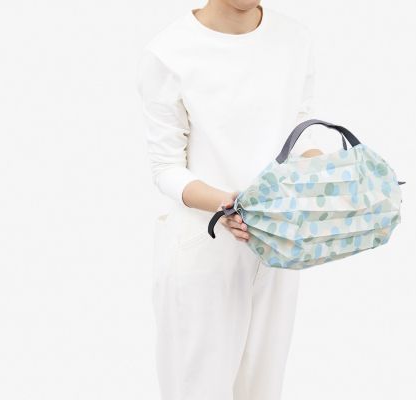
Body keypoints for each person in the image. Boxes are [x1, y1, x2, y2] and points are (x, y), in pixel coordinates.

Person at [137, 1, 323, 399]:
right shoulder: (170, 52)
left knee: (263, 390)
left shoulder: (294, 38)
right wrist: (225, 204)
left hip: (276, 249)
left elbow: (300, 131)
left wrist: (320, 176)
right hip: (204, 247)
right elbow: (166, 167)